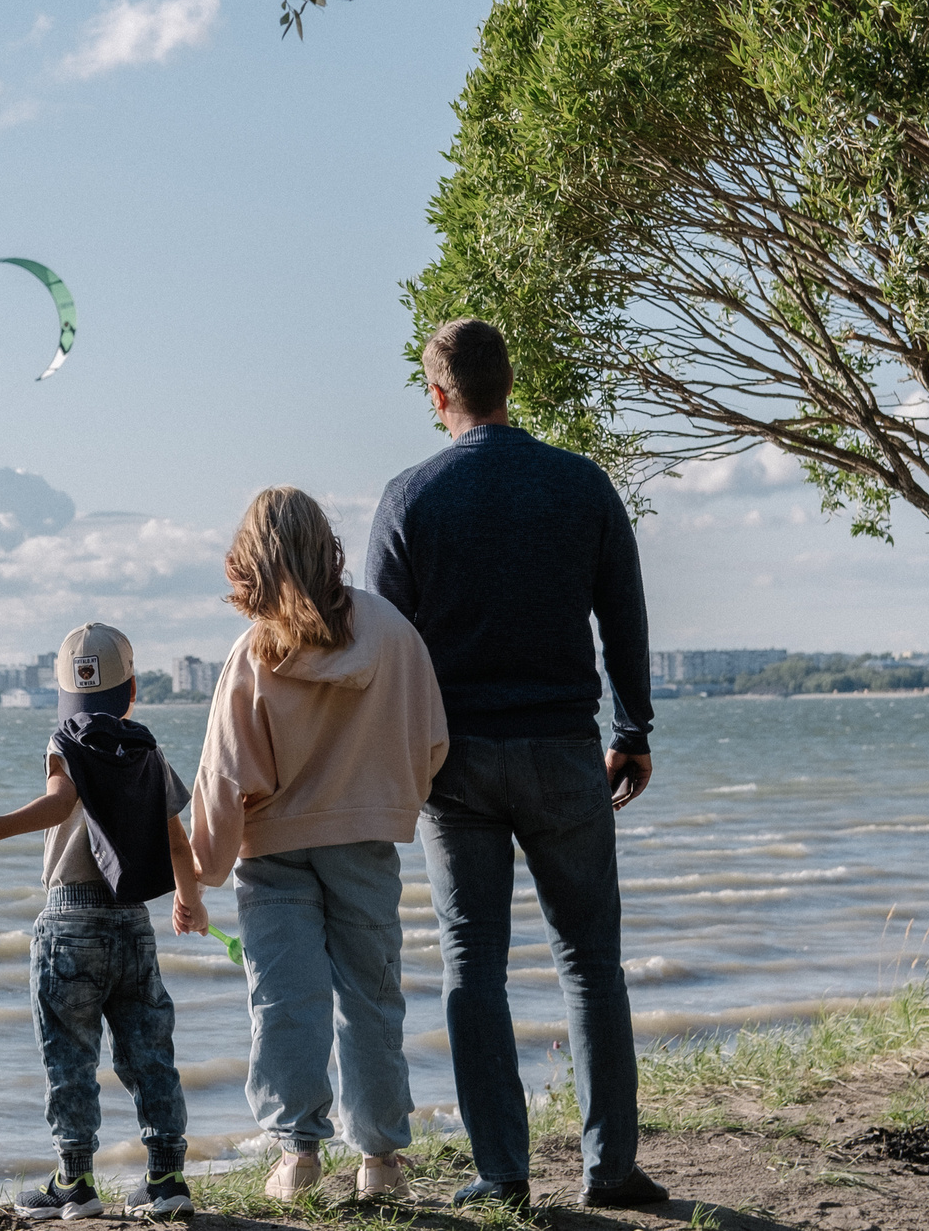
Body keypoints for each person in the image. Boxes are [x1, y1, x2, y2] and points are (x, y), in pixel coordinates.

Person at [365, 319, 669, 1211]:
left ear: (438, 396)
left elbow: (386, 646)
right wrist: (634, 727)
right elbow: (625, 615)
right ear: (510, 382)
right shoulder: (580, 483)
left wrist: (400, 764)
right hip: (565, 751)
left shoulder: (409, 496)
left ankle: (502, 1174)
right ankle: (610, 1167)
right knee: (591, 962)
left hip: (454, 765)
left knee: (472, 966)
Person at [190, 488, 449, 1205]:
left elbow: (224, 776)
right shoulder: (392, 631)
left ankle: (298, 1153)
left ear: (253, 560)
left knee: (285, 1000)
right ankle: (381, 1161)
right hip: (366, 839)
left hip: (272, 851)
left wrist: (203, 868)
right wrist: (387, 799)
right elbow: (432, 740)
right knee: (373, 996)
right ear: (326, 545)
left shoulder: (254, 651)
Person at [0, 623, 205, 1222]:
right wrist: (189, 899)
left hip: (70, 922)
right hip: (132, 923)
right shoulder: (147, 751)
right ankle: (166, 1178)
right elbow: (176, 838)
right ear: (132, 690)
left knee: (69, 1058)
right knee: (149, 1054)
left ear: (65, 694)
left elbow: (60, 802)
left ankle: (75, 1182)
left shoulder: (64, 738)